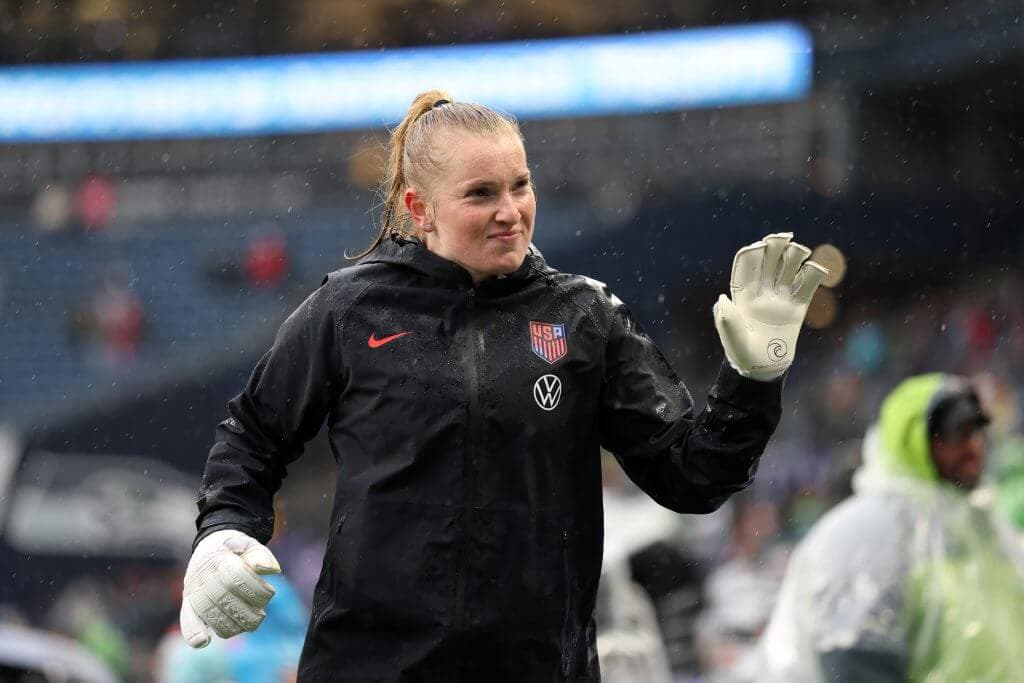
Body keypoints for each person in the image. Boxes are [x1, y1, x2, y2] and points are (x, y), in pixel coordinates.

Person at [180, 90, 827, 682]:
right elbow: (253, 434)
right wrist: (222, 531)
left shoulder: (585, 317)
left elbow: (692, 476)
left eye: (520, 185)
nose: (510, 212)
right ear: (419, 208)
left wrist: (752, 378)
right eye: (481, 193)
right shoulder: (349, 311)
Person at [758, 374, 1024, 682]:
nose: (973, 447)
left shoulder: (980, 523)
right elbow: (852, 655)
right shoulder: (870, 531)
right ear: (913, 437)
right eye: (956, 434)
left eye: (976, 431)